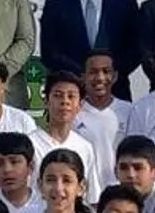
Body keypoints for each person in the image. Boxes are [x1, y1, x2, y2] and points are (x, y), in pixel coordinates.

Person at [39, 0, 139, 101]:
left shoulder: (125, 3)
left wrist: (107, 75)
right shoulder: (55, 5)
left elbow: (134, 50)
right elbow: (50, 52)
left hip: (116, 92)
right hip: (71, 94)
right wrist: (83, 76)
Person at [30, 70, 104, 202]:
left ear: (79, 105)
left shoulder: (85, 147)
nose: (65, 102)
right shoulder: (31, 143)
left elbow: (92, 197)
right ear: (46, 101)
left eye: (71, 96)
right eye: (58, 96)